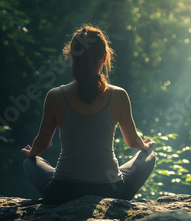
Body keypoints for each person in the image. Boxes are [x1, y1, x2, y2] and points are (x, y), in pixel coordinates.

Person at [21, 24, 156, 204]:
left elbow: (42, 143)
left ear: (71, 56)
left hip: (61, 192)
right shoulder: (119, 95)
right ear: (105, 56)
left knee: (29, 163)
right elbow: (132, 141)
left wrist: (31, 154)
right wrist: (145, 148)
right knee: (149, 156)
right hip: (111, 190)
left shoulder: (55, 96)